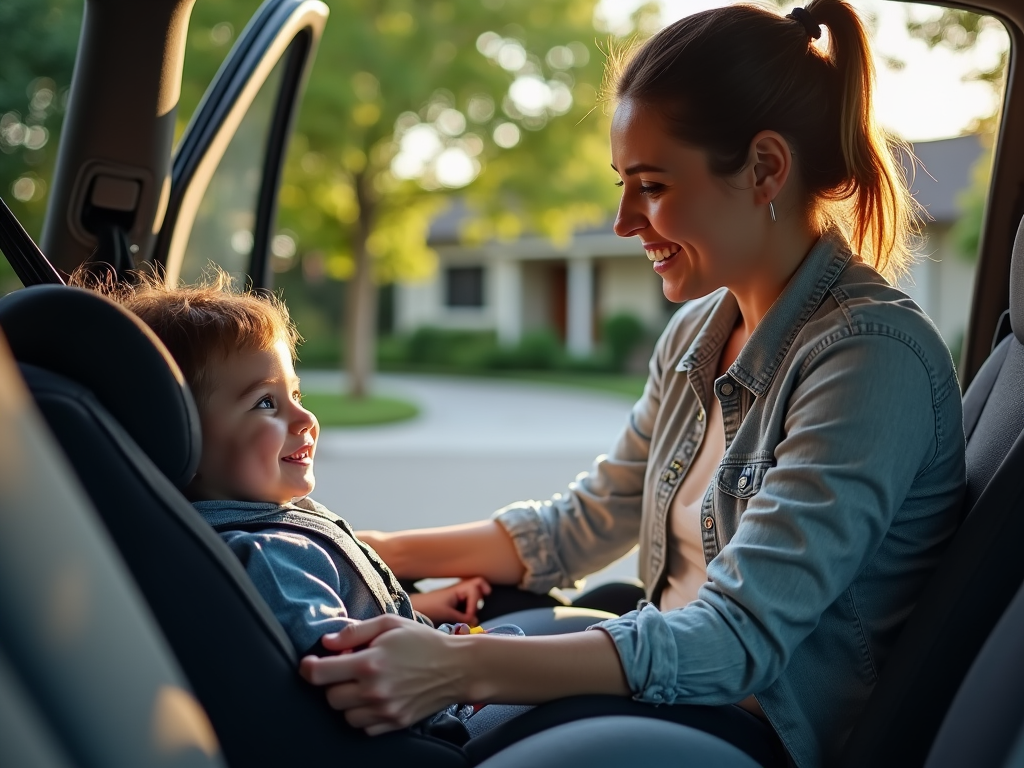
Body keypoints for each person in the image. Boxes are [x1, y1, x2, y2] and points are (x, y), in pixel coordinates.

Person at [297, 3, 967, 768]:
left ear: (764, 169)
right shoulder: (699, 332)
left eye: (650, 185)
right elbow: (580, 526)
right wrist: (360, 550)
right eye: (624, 184)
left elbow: (737, 637)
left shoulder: (869, 358)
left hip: (756, 730)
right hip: (672, 685)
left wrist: (456, 664)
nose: (622, 221)